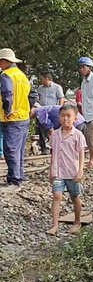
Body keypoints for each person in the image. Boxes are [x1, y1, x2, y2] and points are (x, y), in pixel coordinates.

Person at [46, 103, 86, 236]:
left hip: (72, 172)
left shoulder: (78, 135)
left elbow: (81, 154)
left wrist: (80, 170)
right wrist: (51, 170)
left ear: (75, 118)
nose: (65, 119)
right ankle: (55, 225)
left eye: (69, 116)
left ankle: (77, 222)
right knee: (57, 195)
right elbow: (53, 153)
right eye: (63, 116)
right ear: (59, 118)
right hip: (58, 171)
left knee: (75, 197)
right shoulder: (55, 135)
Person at [0, 48, 31, 190]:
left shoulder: (6, 75)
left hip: (11, 118)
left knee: (11, 149)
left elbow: (7, 93)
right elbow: (33, 94)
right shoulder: (22, 75)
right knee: (18, 149)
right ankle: (19, 176)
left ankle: (14, 181)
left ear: (4, 61)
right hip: (24, 116)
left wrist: (8, 110)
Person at [36, 73, 65, 155]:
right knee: (41, 130)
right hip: (42, 112)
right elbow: (38, 98)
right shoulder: (40, 88)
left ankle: (56, 147)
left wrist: (61, 110)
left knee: (54, 130)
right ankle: (44, 148)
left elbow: (61, 98)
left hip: (53, 112)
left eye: (42, 79)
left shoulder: (57, 87)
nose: (40, 81)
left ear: (47, 78)